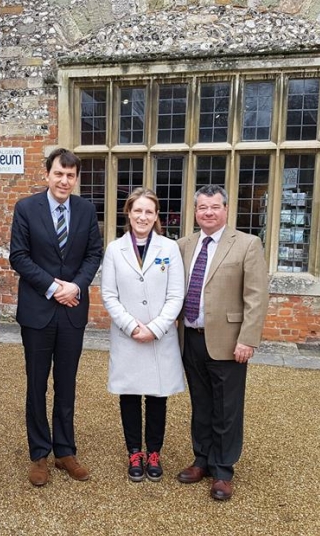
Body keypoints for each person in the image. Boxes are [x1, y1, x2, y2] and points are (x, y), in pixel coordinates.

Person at [9, 148, 103, 486]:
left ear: (76, 179)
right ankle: (39, 455)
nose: (65, 180)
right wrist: (52, 287)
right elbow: (18, 256)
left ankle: (65, 451)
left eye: (70, 175)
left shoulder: (86, 210)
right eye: (59, 173)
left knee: (66, 384)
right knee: (37, 385)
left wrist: (75, 287)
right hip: (38, 311)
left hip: (72, 311)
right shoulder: (26, 209)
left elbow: (94, 254)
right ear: (47, 174)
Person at [176, 183, 269, 501]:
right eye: (202, 207)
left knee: (227, 408)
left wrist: (248, 339)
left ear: (225, 209)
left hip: (229, 342)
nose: (208, 212)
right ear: (195, 211)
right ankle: (201, 459)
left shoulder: (247, 244)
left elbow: (256, 296)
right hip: (190, 338)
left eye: (214, 207)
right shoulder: (184, 245)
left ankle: (223, 470)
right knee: (201, 405)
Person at [100, 188, 185, 482]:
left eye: (149, 211)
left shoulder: (169, 248)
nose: (143, 216)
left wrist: (156, 327)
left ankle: (154, 453)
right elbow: (109, 295)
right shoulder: (114, 249)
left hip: (159, 336)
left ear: (156, 216)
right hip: (128, 336)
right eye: (138, 210)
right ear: (128, 212)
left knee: (158, 395)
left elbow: (176, 295)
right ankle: (134, 452)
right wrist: (132, 326)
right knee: (130, 394)